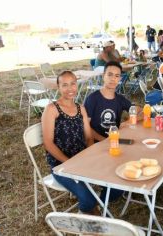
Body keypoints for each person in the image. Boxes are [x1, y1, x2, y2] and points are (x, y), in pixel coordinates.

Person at [42, 71, 122, 215]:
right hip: (62, 165)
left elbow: (89, 137)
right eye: (64, 85)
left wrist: (90, 158)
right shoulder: (52, 109)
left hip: (83, 159)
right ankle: (91, 210)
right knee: (88, 199)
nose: (70, 89)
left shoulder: (81, 109)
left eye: (73, 84)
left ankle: (96, 204)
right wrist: (69, 163)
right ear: (58, 87)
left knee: (117, 186)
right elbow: (48, 143)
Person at [84, 61, 133, 142]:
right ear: (103, 76)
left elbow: (139, 110)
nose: (113, 79)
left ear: (120, 79)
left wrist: (128, 122)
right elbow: (85, 127)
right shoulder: (92, 99)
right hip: (96, 143)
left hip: (114, 140)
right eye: (110, 75)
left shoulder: (120, 99)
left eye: (117, 76)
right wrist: (104, 141)